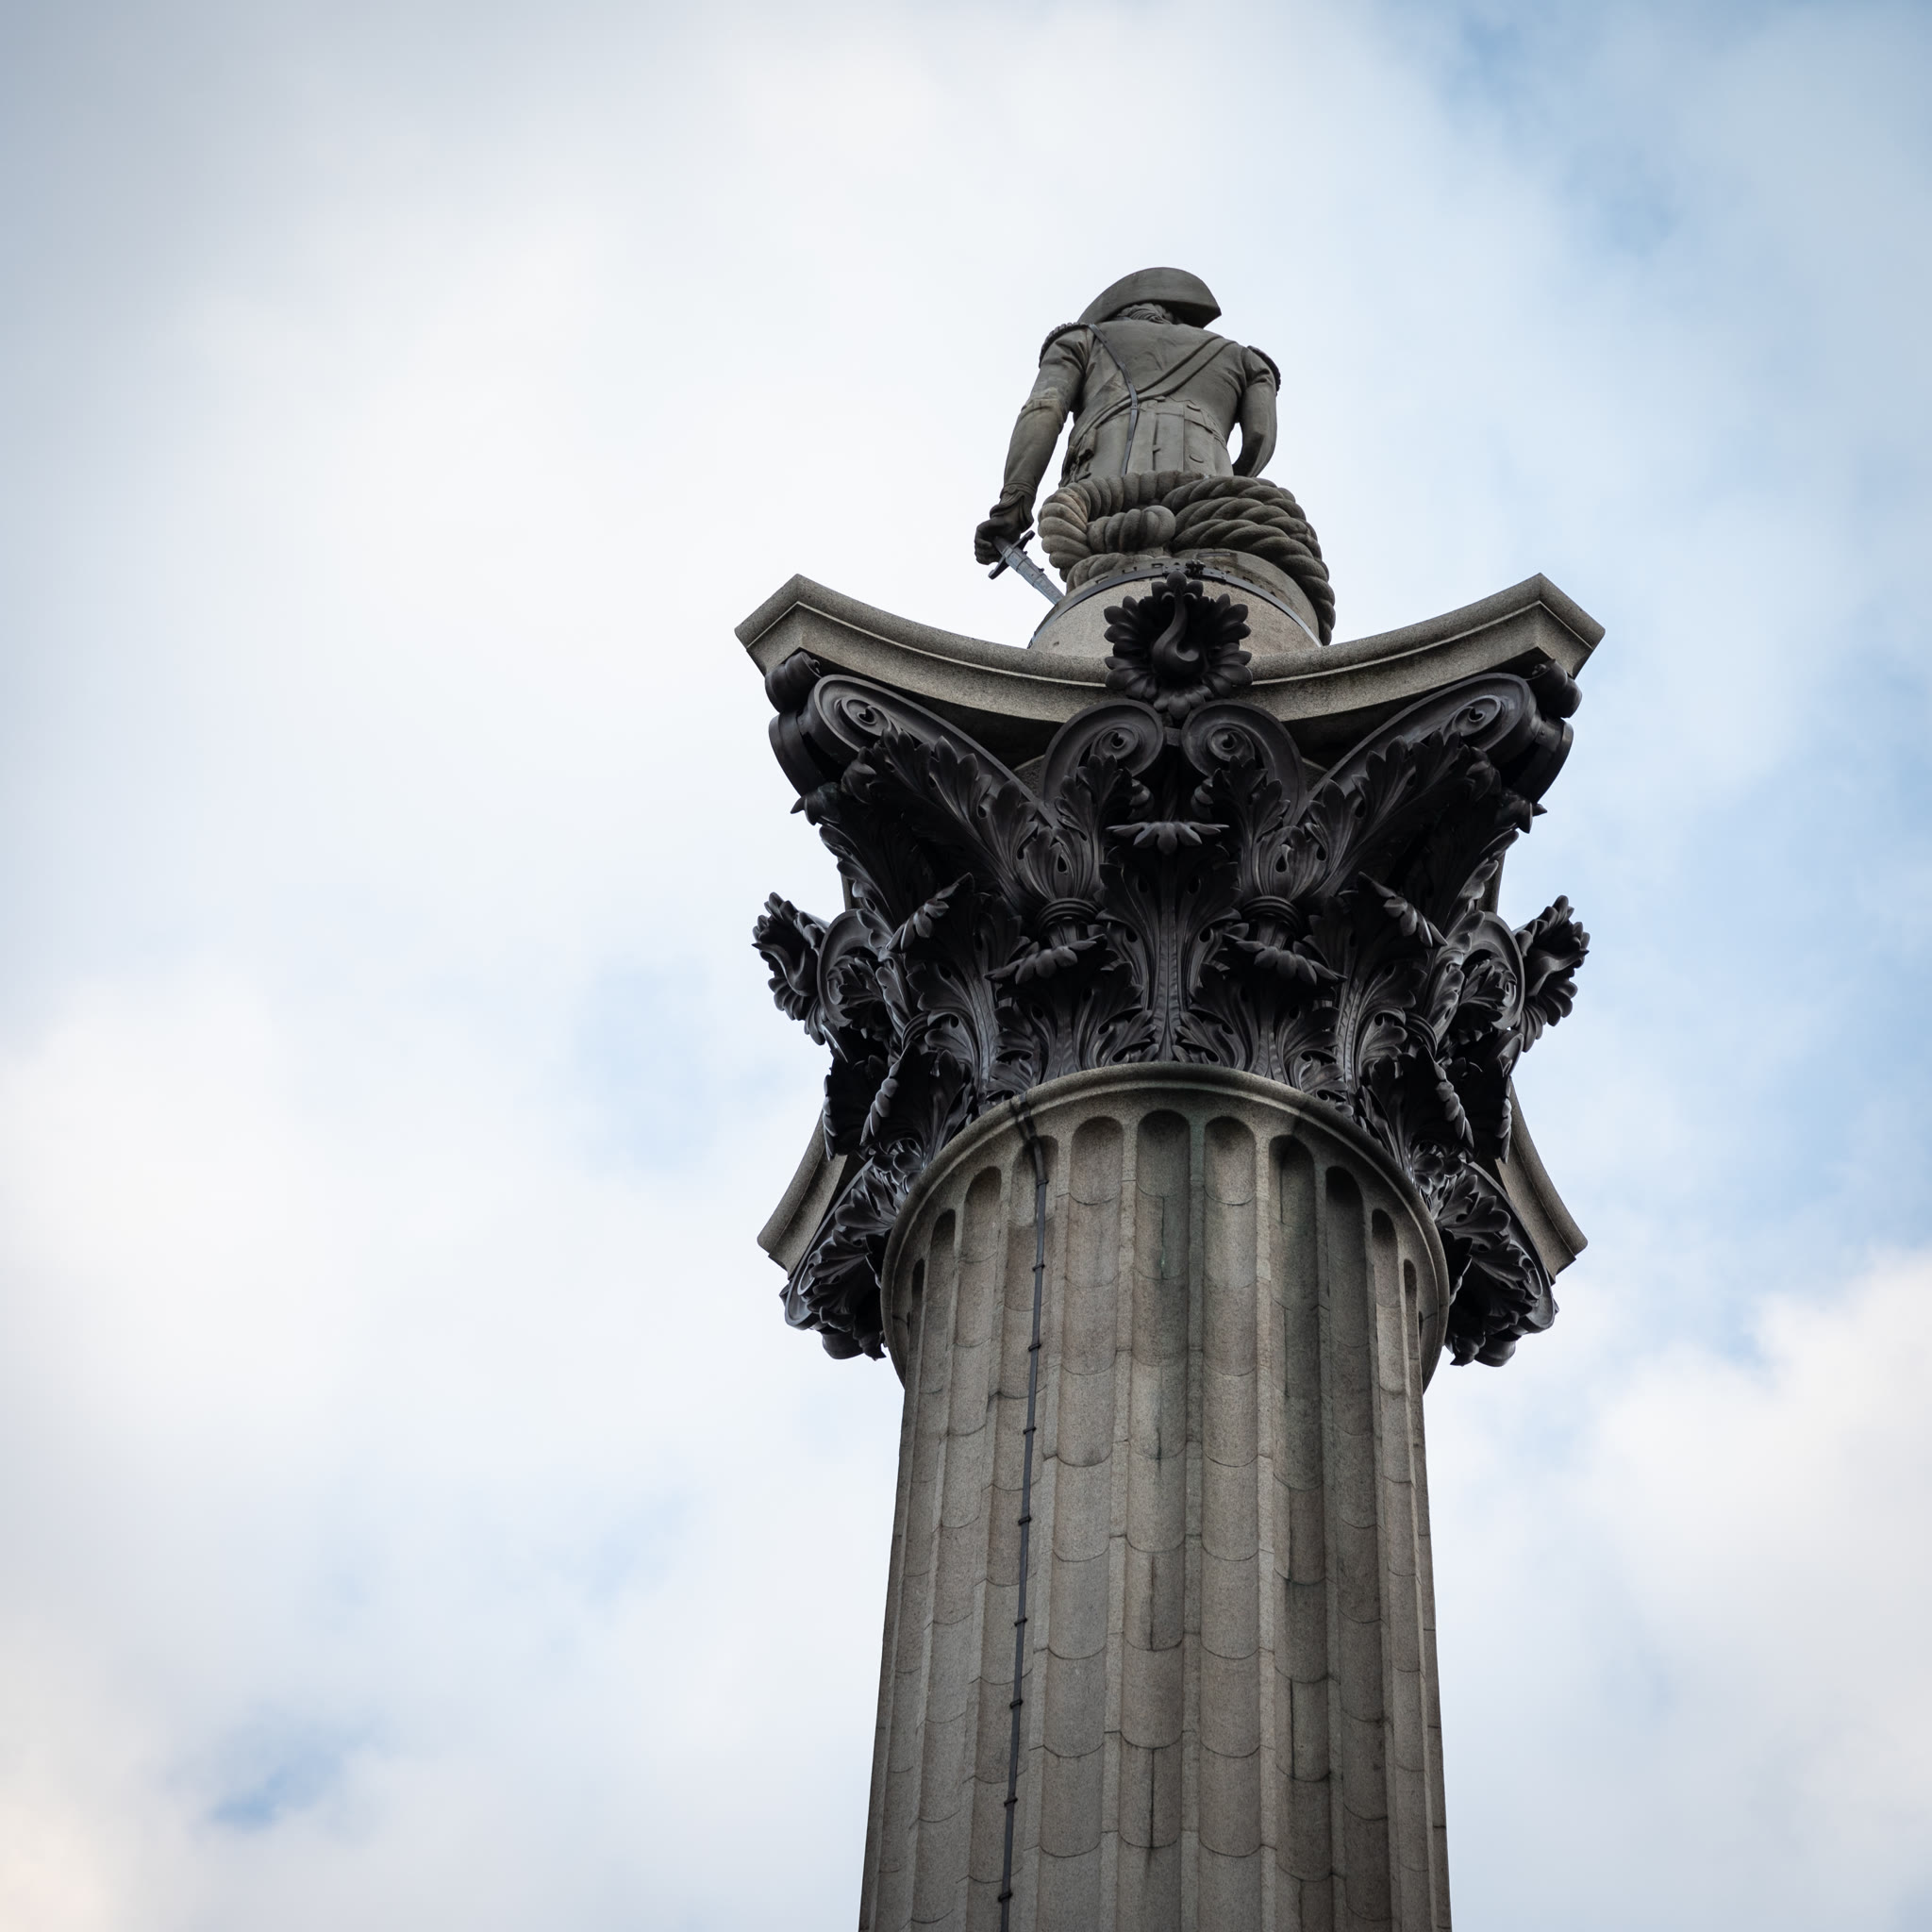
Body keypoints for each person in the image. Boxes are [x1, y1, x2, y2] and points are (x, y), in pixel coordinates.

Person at [974, 267, 1280, 566]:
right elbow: (1259, 436)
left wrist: (1014, 503)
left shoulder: (1083, 338)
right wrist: (1229, 485)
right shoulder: (1247, 360)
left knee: (1106, 582)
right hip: (1207, 492)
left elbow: (1043, 410)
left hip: (1105, 488)